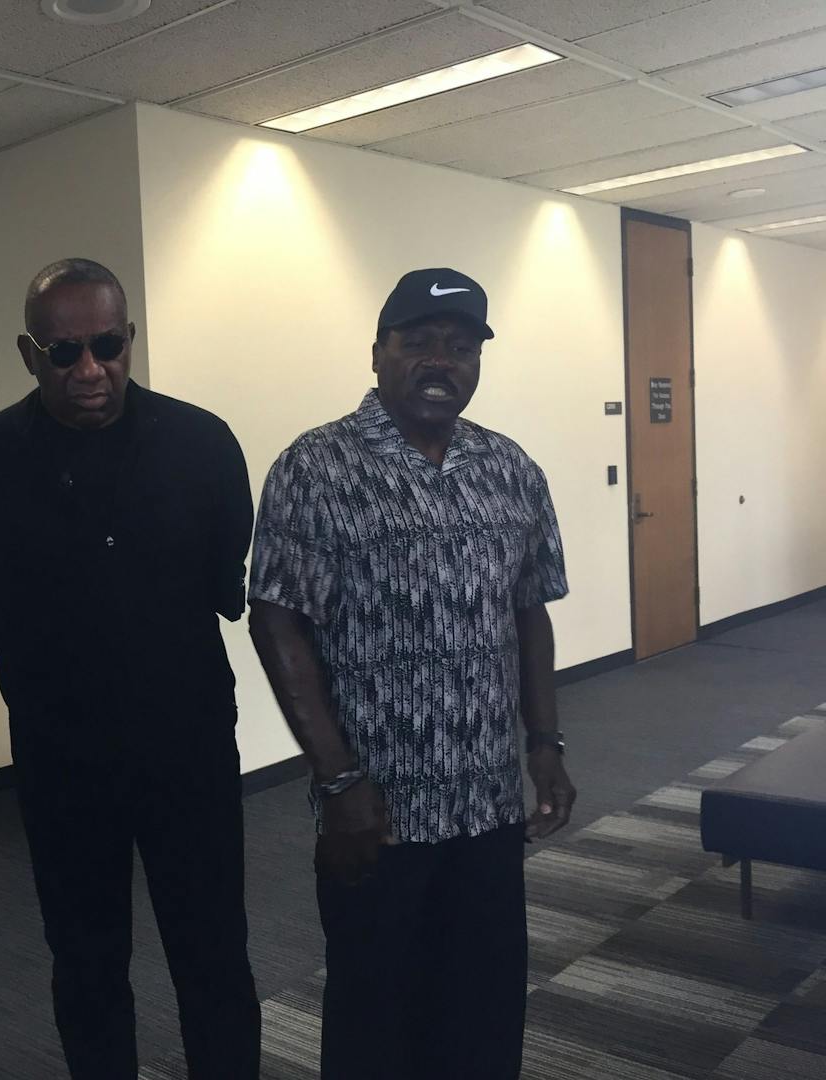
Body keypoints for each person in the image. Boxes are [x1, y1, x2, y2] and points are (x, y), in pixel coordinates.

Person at [0, 258, 261, 1078]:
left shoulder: (203, 444)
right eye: (64, 352)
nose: (90, 370)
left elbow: (227, 571)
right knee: (85, 959)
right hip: (61, 755)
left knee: (213, 950)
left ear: (130, 339)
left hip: (189, 749)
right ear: (27, 352)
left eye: (108, 346)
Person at [248, 268, 578, 1080]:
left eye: (461, 347)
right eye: (420, 342)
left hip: (487, 803)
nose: (442, 361)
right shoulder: (316, 467)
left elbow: (529, 609)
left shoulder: (510, 468)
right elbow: (276, 618)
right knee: (374, 1016)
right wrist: (338, 780)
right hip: (376, 813)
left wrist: (545, 743)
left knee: (485, 1007)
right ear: (378, 352)